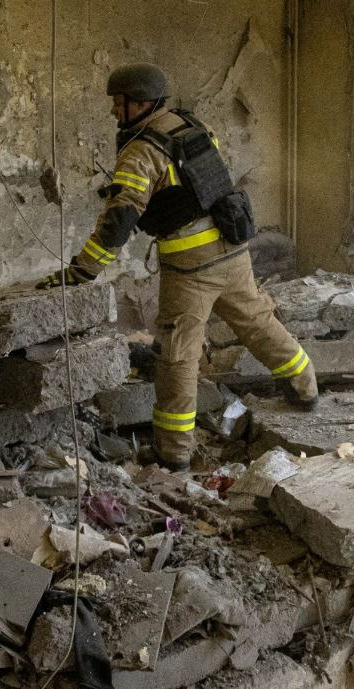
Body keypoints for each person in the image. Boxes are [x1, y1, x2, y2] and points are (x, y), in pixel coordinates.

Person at [37, 63, 317, 470]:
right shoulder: (193, 126)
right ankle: (305, 387)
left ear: (141, 102)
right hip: (234, 250)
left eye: (118, 102)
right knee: (258, 322)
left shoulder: (140, 152)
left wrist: (83, 271)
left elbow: (118, 222)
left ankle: (173, 452)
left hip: (191, 269)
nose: (113, 110)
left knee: (177, 356)